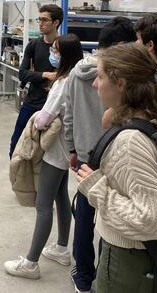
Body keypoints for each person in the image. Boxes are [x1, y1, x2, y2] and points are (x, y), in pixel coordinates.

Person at [76, 43, 157, 293]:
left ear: (120, 83)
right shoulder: (153, 120)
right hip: (137, 260)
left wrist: (96, 189)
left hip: (128, 262)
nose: (94, 84)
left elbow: (155, 220)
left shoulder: (131, 142)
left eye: (100, 77)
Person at [63, 17, 137, 293]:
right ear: (120, 45)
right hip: (115, 154)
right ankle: (105, 273)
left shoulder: (75, 72)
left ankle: (83, 276)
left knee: (84, 216)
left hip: (85, 154)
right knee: (110, 217)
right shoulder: (122, 77)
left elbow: (67, 113)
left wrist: (72, 148)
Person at [4, 34, 83, 279]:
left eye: (56, 51)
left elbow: (44, 118)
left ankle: (31, 263)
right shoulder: (78, 79)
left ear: (65, 55)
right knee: (61, 196)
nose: (53, 54)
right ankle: (61, 247)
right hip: (67, 147)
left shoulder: (62, 83)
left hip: (56, 148)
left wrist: (37, 119)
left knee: (43, 205)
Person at [9, 4, 63, 158]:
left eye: (45, 20)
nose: (40, 23)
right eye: (39, 19)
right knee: (17, 144)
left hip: (55, 105)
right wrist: (46, 75)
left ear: (56, 22)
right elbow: (23, 74)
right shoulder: (33, 45)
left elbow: (69, 76)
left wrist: (36, 74)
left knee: (51, 151)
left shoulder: (65, 45)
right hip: (32, 100)